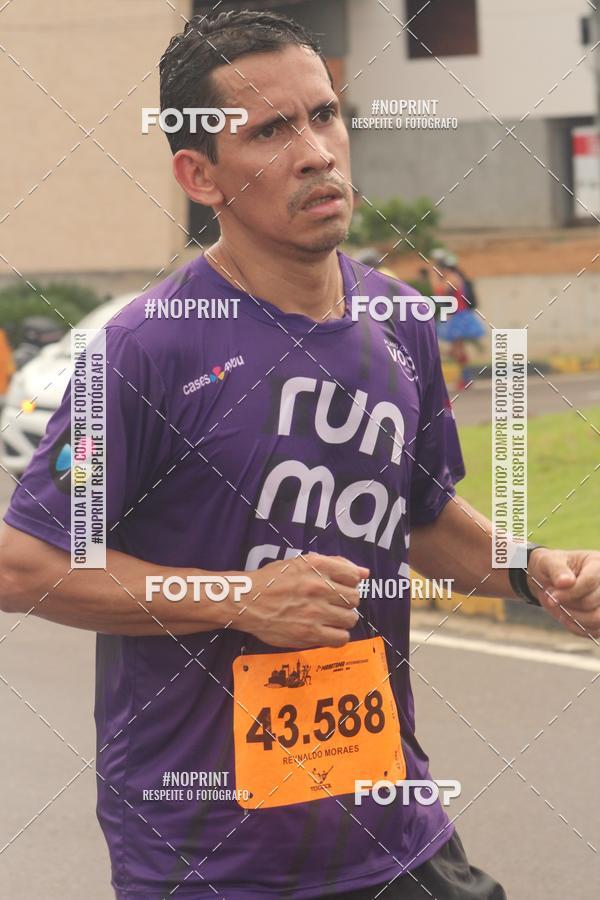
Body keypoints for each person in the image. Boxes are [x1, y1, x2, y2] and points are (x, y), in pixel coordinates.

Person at [1, 10, 599, 900]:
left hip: (388, 820)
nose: (316, 151)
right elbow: (23, 564)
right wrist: (239, 598)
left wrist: (533, 569)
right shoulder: (146, 350)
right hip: (208, 855)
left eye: (324, 115)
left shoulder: (400, 322)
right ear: (198, 175)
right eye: (271, 131)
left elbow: (424, 520)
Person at [430, 248, 485, 392]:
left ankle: (465, 378)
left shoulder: (452, 278)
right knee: (456, 349)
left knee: (457, 349)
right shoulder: (453, 277)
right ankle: (465, 378)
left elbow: (439, 292)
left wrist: (434, 276)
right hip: (454, 316)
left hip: (458, 317)